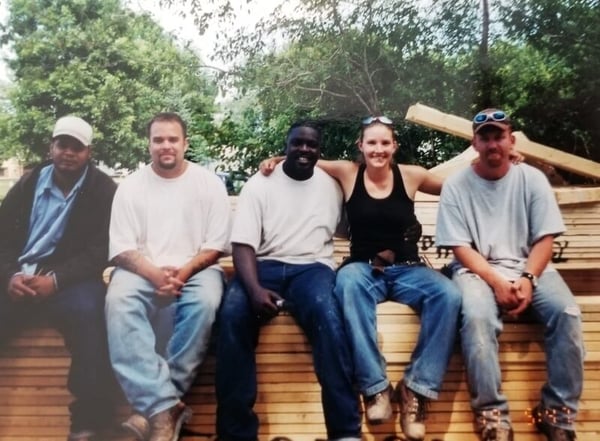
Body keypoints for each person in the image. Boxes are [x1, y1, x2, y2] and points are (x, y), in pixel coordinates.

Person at [258, 117, 461, 440]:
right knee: (346, 285)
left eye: (385, 143)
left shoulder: (411, 175)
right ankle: (375, 387)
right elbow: (305, 156)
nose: (378, 150)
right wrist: (275, 159)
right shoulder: (348, 172)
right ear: (361, 146)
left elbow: (462, 185)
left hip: (408, 268)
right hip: (363, 268)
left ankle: (416, 389)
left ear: (394, 146)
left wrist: (505, 159)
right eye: (372, 143)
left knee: (448, 295)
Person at [435, 108, 585, 441]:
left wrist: (528, 279)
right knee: (476, 316)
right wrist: (499, 283)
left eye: (498, 136)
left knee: (567, 312)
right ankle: (492, 415)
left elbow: (545, 239)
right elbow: (460, 248)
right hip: (477, 269)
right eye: (484, 137)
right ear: (474, 143)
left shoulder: (531, 179)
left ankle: (557, 412)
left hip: (528, 266)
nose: (492, 144)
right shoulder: (457, 185)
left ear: (511, 139)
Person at [216, 121, 362, 441]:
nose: (304, 150)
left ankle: (345, 432)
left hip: (312, 270)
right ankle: (236, 433)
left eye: (311, 145)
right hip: (263, 266)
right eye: (297, 143)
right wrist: (253, 290)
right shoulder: (260, 183)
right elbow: (243, 244)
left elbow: (354, 227)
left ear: (319, 150)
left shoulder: (331, 186)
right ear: (286, 146)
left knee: (329, 316)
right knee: (230, 317)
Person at [105, 112, 231, 441]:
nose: (165, 145)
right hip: (141, 269)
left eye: (172, 139)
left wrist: (184, 272)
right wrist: (155, 274)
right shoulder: (131, 186)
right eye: (158, 139)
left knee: (205, 302)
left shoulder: (208, 184)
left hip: (198, 269)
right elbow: (121, 249)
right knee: (118, 301)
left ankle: (149, 410)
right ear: (148, 144)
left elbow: (216, 246)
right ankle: (165, 405)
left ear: (185, 143)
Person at [0, 116, 118, 441]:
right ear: (50, 147)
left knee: (92, 314)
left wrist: (56, 279)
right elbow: (2, 239)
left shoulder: (103, 190)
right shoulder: (28, 184)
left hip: (69, 280)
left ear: (88, 152)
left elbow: (103, 249)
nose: (68, 153)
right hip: (19, 277)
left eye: (76, 147)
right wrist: (10, 275)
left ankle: (89, 423)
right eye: (62, 145)